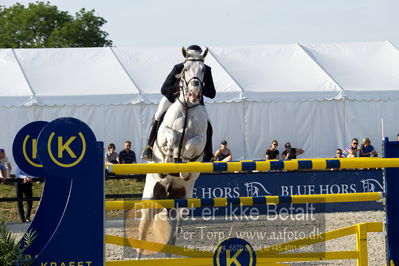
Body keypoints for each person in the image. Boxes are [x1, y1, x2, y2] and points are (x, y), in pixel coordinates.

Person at [141, 45, 216, 162]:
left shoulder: (206, 69)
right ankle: (149, 147)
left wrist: (200, 88)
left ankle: (208, 153)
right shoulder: (178, 68)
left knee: (208, 122)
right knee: (158, 114)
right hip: (173, 99)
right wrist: (181, 88)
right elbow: (164, 88)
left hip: (195, 102)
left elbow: (212, 93)